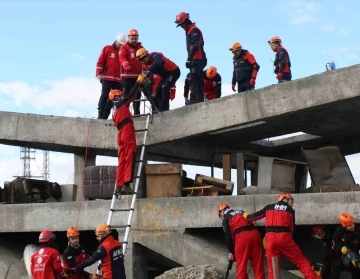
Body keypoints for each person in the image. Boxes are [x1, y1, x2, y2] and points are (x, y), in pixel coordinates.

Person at [245, 192, 320, 279]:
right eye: (291, 201)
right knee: (301, 261)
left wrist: (246, 216)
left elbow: (252, 218)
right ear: (285, 199)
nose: (292, 204)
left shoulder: (269, 207)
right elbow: (292, 229)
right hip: (284, 238)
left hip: (270, 240)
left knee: (272, 269)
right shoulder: (290, 211)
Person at [108, 74, 146, 195]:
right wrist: (138, 82)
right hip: (127, 130)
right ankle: (126, 185)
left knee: (122, 160)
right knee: (130, 156)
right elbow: (131, 94)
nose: (121, 96)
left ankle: (118, 186)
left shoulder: (114, 111)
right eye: (119, 96)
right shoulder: (122, 104)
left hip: (120, 134)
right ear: (116, 97)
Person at [217, 204, 265, 279]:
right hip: (255, 235)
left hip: (242, 238)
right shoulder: (241, 212)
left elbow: (228, 238)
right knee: (258, 266)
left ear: (221, 213)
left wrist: (232, 252)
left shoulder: (226, 219)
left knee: (241, 267)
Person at [175, 12, 207, 104]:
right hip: (196, 58)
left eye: (181, 25)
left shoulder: (193, 30)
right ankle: (199, 99)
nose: (181, 27)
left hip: (198, 58)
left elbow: (196, 45)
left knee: (194, 77)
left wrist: (189, 59)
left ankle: (194, 100)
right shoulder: (189, 30)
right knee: (198, 78)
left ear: (185, 22)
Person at [136, 48, 180, 112]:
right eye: (140, 60)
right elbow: (146, 76)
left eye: (143, 59)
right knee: (157, 92)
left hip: (174, 71)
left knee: (165, 87)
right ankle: (159, 109)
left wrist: (149, 70)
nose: (142, 61)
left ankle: (165, 109)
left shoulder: (155, 55)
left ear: (147, 56)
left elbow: (159, 62)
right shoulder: (145, 66)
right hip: (165, 75)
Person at [95, 33, 125, 119]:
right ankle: (100, 114)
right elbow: (100, 61)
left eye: (122, 45)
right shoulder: (107, 49)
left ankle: (105, 115)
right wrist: (98, 73)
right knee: (104, 95)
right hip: (107, 77)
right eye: (120, 44)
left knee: (114, 98)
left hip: (118, 80)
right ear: (116, 41)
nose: (121, 46)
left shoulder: (123, 53)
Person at [119, 29, 144, 115]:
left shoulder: (141, 48)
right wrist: (126, 65)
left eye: (135, 39)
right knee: (126, 96)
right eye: (132, 38)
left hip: (138, 77)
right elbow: (122, 58)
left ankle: (137, 113)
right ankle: (125, 113)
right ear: (128, 38)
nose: (134, 40)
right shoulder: (124, 47)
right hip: (127, 76)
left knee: (137, 96)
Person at [330, 212, 360, 279]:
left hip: (356, 258)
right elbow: (335, 241)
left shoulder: (359, 232)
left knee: (356, 273)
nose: (352, 226)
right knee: (335, 267)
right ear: (344, 226)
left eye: (352, 224)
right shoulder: (339, 231)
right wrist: (341, 247)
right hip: (346, 256)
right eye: (349, 225)